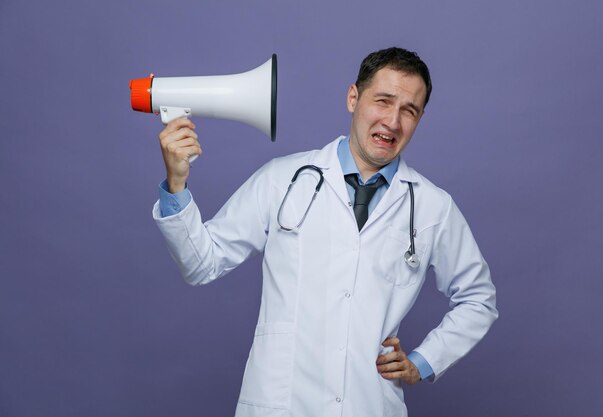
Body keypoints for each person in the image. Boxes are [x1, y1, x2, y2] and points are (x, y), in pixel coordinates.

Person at [152, 47, 497, 417]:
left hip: (369, 404)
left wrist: (423, 361)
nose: (393, 121)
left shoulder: (432, 206)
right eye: (383, 101)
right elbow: (200, 264)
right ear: (353, 98)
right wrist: (177, 184)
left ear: (420, 118)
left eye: (409, 110)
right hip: (281, 403)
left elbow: (479, 300)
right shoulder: (281, 179)